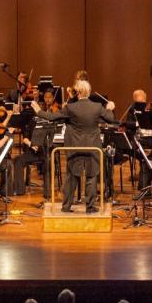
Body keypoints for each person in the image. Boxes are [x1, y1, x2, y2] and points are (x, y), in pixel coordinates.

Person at [36, 79, 118, 214]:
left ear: (78, 93)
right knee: (91, 176)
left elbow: (52, 117)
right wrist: (109, 108)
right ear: (89, 92)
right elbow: (110, 119)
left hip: (74, 147)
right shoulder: (97, 106)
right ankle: (90, 207)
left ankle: (66, 206)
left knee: (72, 176)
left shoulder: (70, 107)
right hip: (93, 147)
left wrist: (38, 111)